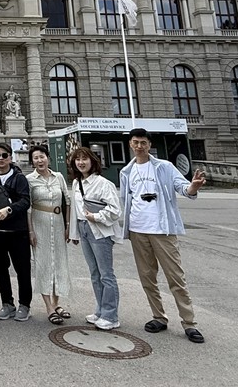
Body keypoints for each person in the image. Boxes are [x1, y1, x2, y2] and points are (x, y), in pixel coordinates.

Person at [118, 127, 208, 344]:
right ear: (131, 144)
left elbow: (183, 188)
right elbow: (126, 200)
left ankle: (189, 323)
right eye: (136, 142)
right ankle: (158, 316)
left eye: (143, 142)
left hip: (162, 230)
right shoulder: (126, 172)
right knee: (147, 277)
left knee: (175, 277)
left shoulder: (164, 167)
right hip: (138, 230)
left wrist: (193, 187)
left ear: (149, 145)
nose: (139, 146)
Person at [69, 145, 122, 330]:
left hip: (99, 230)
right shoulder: (77, 183)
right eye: (78, 159)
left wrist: (96, 217)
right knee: (94, 273)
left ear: (93, 161)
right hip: (84, 229)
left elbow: (115, 210)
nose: (81, 162)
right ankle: (100, 310)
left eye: (84, 159)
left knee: (106, 274)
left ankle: (111, 315)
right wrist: (74, 233)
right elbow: (76, 211)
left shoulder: (103, 183)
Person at [0, 143, 32, 321]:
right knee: (1, 270)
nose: (1, 159)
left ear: (10, 157)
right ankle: (7, 303)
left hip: (18, 231)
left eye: (5, 155)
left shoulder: (19, 178)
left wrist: (9, 210)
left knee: (23, 269)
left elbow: (25, 201)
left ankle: (24, 304)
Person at [27, 144, 73, 325]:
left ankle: (57, 303)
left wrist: (68, 225)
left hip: (59, 223)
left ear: (48, 158)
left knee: (59, 263)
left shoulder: (59, 177)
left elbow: (67, 201)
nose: (40, 160)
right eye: (36, 158)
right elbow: (28, 208)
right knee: (43, 264)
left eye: (42, 157)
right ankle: (48, 307)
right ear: (32, 162)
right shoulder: (29, 179)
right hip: (39, 224)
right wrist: (30, 230)